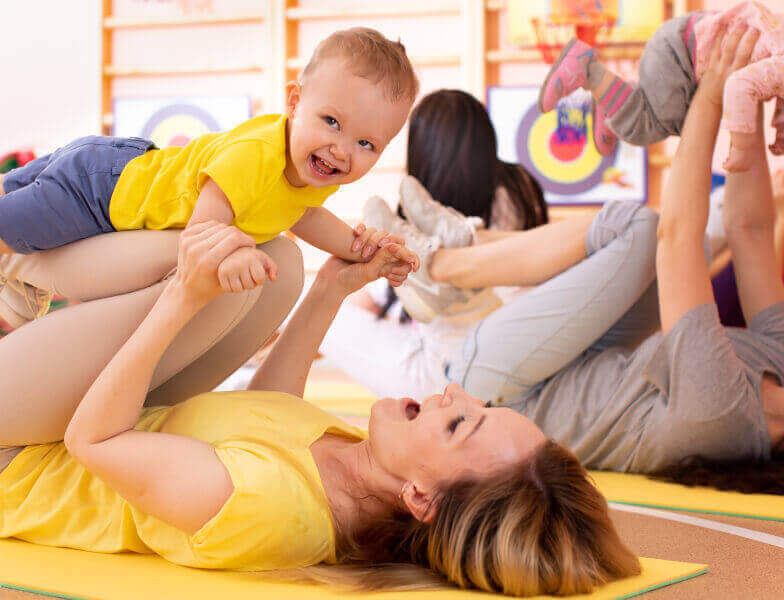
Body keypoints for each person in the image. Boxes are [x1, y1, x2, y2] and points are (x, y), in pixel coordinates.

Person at [0, 221, 639, 596]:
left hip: (7, 456)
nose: (453, 393)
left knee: (215, 261)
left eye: (459, 424)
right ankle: (17, 275)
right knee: (277, 267)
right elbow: (262, 417)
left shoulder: (268, 512)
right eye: (477, 403)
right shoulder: (358, 471)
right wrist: (334, 288)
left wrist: (183, 296)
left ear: (423, 498)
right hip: (102, 415)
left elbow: (93, 440)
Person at [378, 25, 784, 490]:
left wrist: (712, 93)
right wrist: (745, 99)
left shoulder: (723, 415)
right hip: (579, 356)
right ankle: (461, 243)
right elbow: (750, 230)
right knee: (637, 236)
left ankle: (439, 266)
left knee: (639, 228)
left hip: (502, 392)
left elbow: (679, 239)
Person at [0, 27, 417, 318]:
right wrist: (229, 259)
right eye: (331, 122)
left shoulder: (299, 175)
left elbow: (304, 215)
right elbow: (200, 236)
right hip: (98, 194)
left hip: (116, 162)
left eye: (366, 142)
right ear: (293, 99)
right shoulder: (254, 158)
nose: (342, 150)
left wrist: (362, 246)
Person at [320, 89, 549, 398]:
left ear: (422, 152)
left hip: (451, 375)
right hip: (527, 355)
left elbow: (374, 298)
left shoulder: (422, 205)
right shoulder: (520, 188)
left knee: (325, 317)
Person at [538, 0, 783, 169]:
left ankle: (611, 96)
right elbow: (740, 87)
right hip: (682, 58)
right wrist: (741, 147)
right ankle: (590, 73)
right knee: (648, 127)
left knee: (659, 116)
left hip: (683, 44)